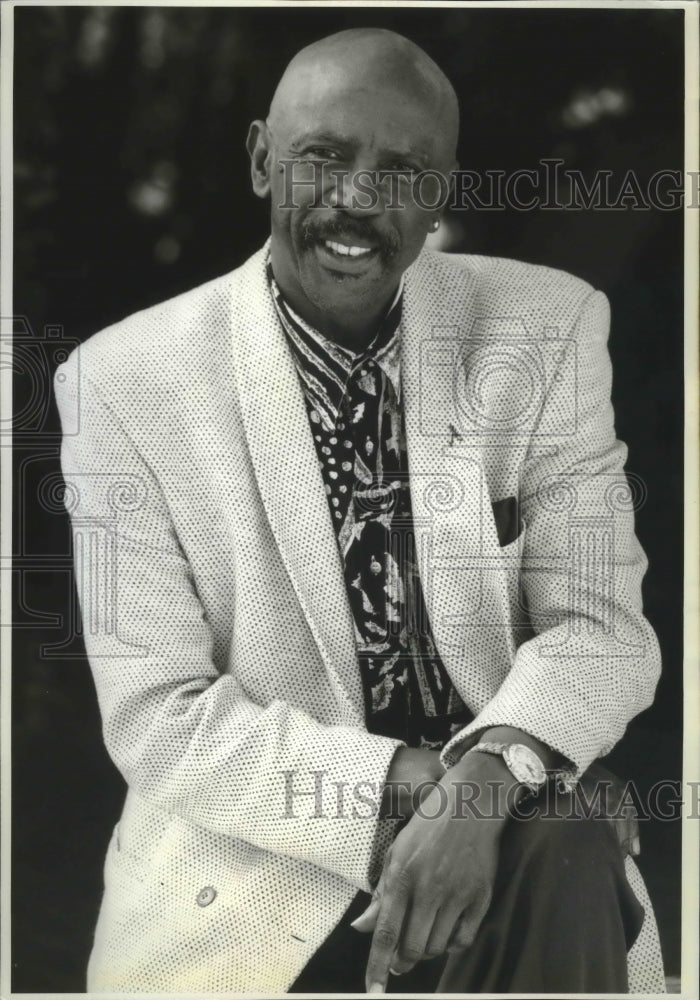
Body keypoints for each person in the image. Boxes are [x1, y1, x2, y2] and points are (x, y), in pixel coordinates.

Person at [54, 28, 665, 995]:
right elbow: (158, 716)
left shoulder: (543, 331)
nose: (358, 200)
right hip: (251, 883)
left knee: (570, 839)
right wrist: (428, 791)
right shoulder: (125, 383)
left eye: (403, 170)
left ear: (442, 195)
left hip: (516, 847)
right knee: (566, 826)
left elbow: (600, 630)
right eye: (322, 157)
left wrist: (497, 776)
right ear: (262, 158)